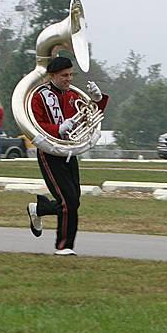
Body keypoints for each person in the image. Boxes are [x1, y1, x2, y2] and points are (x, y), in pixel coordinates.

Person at [25, 49, 109, 256]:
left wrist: (98, 100)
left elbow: (90, 117)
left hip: (69, 152)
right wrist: (58, 129)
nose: (69, 79)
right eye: (64, 75)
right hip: (49, 153)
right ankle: (64, 246)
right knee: (68, 201)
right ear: (52, 75)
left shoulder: (73, 95)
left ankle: (40, 209)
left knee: (73, 201)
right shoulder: (39, 96)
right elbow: (36, 125)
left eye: (71, 74)